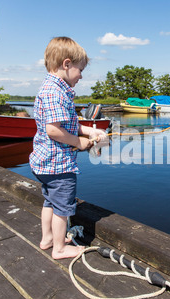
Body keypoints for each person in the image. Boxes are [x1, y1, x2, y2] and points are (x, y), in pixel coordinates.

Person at [30, 37, 106, 260]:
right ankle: (60, 249)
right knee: (63, 208)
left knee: (50, 202)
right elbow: (54, 130)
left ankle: (48, 239)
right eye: (80, 70)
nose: (81, 75)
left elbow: (67, 123)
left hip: (44, 163)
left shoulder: (51, 88)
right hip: (58, 165)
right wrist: (78, 142)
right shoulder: (56, 93)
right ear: (66, 64)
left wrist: (89, 132)